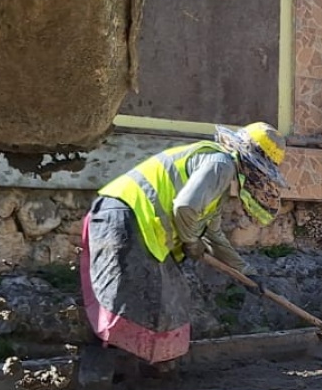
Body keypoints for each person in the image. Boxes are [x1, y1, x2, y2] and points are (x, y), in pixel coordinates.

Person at [79, 122, 288, 365]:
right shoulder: (221, 164)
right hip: (126, 217)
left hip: (136, 224)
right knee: (125, 300)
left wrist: (247, 273)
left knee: (166, 297)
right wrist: (190, 242)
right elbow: (185, 206)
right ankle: (99, 371)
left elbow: (213, 234)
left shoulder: (218, 171)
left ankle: (148, 367)